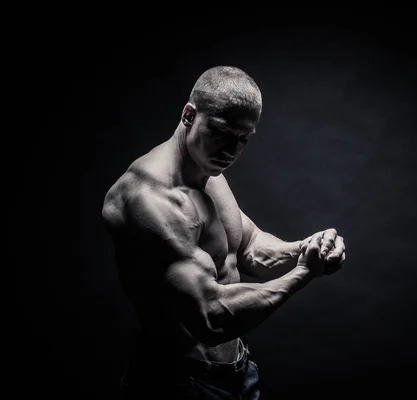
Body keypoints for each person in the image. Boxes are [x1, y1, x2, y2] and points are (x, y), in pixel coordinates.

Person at [101, 66, 346, 399]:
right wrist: (304, 273)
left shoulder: (209, 174)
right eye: (221, 133)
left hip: (238, 372)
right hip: (176, 383)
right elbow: (210, 318)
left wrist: (305, 249)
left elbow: (251, 248)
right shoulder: (149, 198)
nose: (231, 150)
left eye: (243, 139)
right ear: (189, 115)